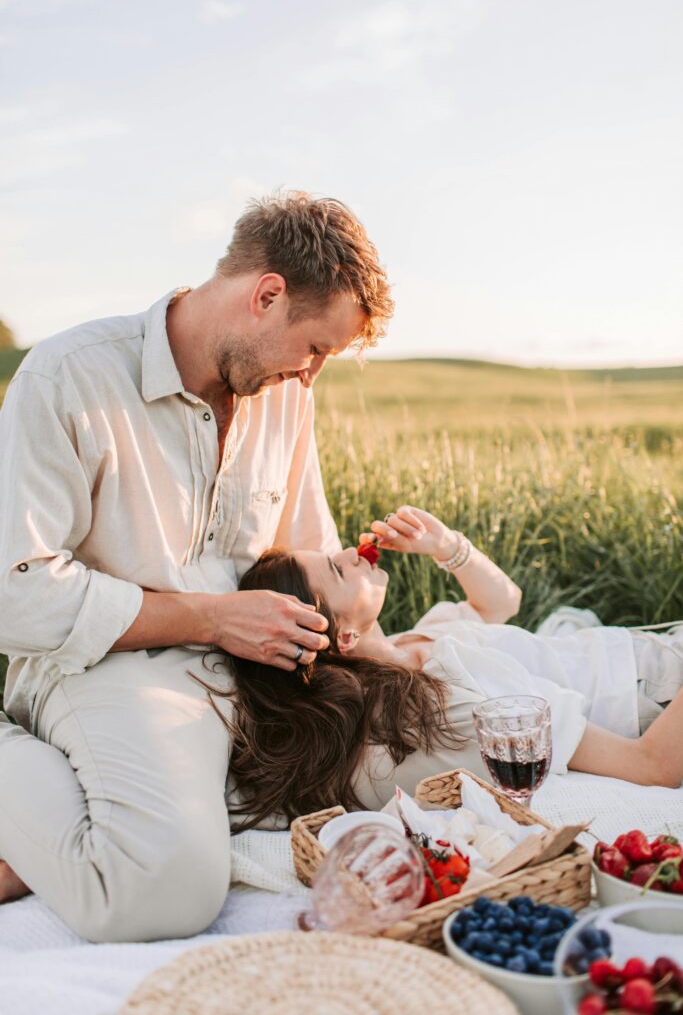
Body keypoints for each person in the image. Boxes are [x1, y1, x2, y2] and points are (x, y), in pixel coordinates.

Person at [0, 191, 394, 940]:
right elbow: (13, 595)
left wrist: (367, 640)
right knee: (161, 893)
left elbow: (305, 542)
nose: (311, 376)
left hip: (252, 668)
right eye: (314, 348)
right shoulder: (68, 377)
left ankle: (53, 834)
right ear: (266, 295)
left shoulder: (280, 393)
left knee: (423, 760)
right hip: (113, 662)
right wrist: (213, 617)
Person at [202, 505, 683, 831]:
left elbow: (502, 601)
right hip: (654, 689)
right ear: (343, 636)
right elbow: (652, 765)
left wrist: (447, 545)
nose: (352, 552)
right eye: (336, 568)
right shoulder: (452, 695)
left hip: (641, 652)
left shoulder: (417, 643)